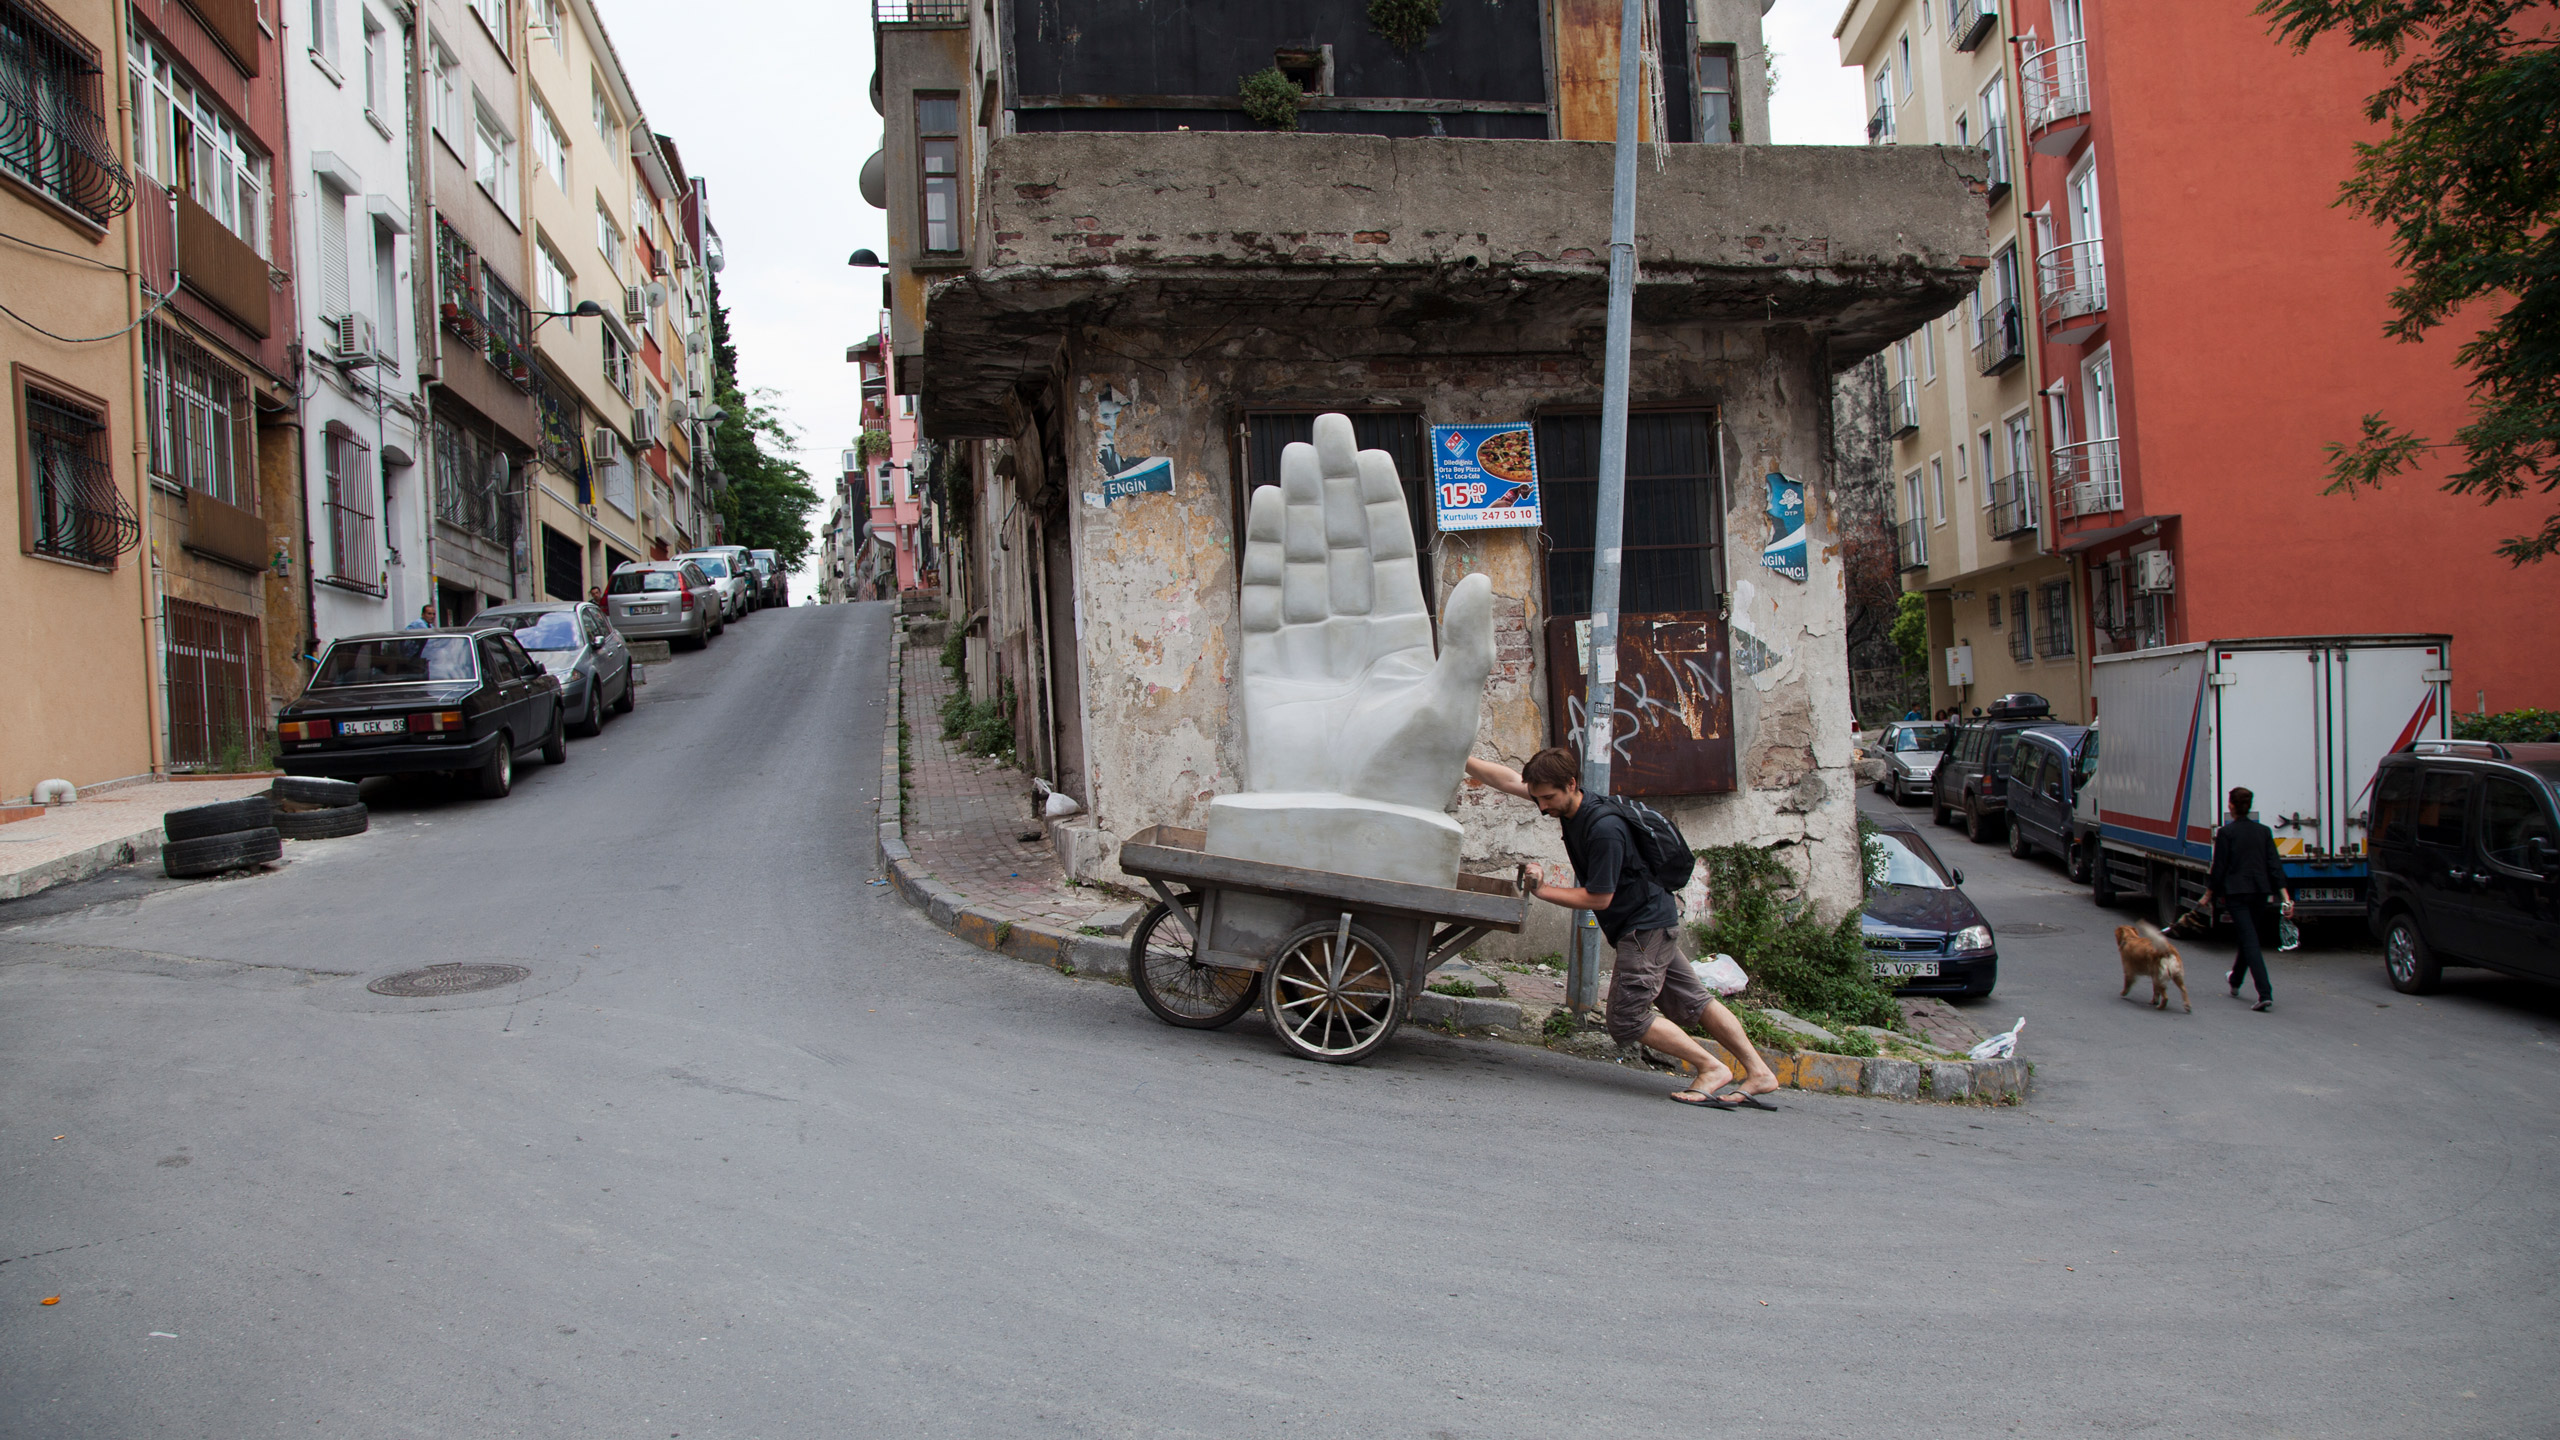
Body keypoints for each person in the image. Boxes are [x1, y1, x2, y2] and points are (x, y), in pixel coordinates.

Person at [1465, 748, 1781, 1109]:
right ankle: (1759, 1072)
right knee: (1695, 1001)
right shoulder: (1565, 803)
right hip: (1653, 923)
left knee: (1626, 1018)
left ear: (1571, 784)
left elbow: (1600, 898)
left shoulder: (1604, 829)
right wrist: (1463, 756)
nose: (1541, 807)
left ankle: (1711, 1068)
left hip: (1643, 929)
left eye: (1547, 798)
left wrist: (1542, 889)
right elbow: (1507, 779)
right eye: (1537, 798)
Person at [2202, 786, 2293, 1012]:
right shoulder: (2263, 832)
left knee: (2250, 940)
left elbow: (2219, 868)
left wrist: (2208, 895)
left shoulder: (2226, 833)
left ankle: (2265, 993)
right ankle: (2235, 980)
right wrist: (2286, 898)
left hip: (2237, 894)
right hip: (2260, 893)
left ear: (2231, 806)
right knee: (2248, 935)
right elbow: (2274, 865)